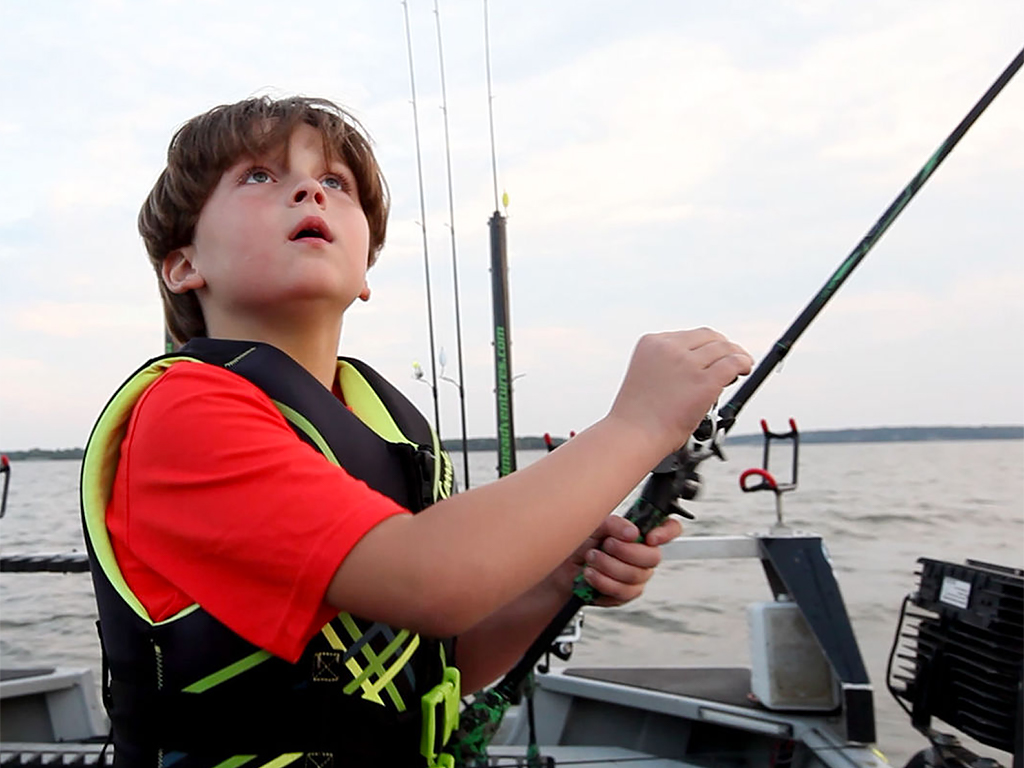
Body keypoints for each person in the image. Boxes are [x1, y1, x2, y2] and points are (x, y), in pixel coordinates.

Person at [80, 95, 752, 768]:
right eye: (259, 175)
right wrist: (637, 426)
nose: (310, 189)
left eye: (336, 183)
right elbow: (434, 582)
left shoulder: (388, 428)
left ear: (366, 267)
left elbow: (436, 652)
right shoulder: (184, 414)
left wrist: (555, 580)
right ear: (183, 265)